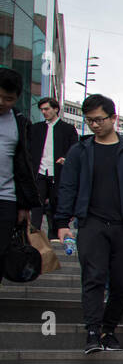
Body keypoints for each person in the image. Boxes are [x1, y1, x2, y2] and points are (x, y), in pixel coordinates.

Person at [54, 94, 123, 353]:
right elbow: (67, 187)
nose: (94, 125)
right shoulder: (79, 151)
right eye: (89, 121)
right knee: (94, 278)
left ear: (113, 118)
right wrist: (62, 221)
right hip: (91, 224)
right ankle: (92, 331)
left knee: (122, 283)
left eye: (99, 119)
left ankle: (109, 330)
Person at [0, 68, 41, 273]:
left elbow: (25, 166)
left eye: (7, 99)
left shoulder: (20, 122)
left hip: (6, 200)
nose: (1, 102)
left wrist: (24, 205)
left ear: (16, 98)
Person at [26, 96, 77, 238]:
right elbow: (29, 150)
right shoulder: (36, 129)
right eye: (41, 109)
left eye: (47, 109)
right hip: (40, 172)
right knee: (37, 204)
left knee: (55, 205)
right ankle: (34, 236)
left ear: (56, 109)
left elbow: (74, 149)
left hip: (58, 173)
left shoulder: (67, 129)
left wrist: (66, 159)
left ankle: (54, 237)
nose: (44, 112)